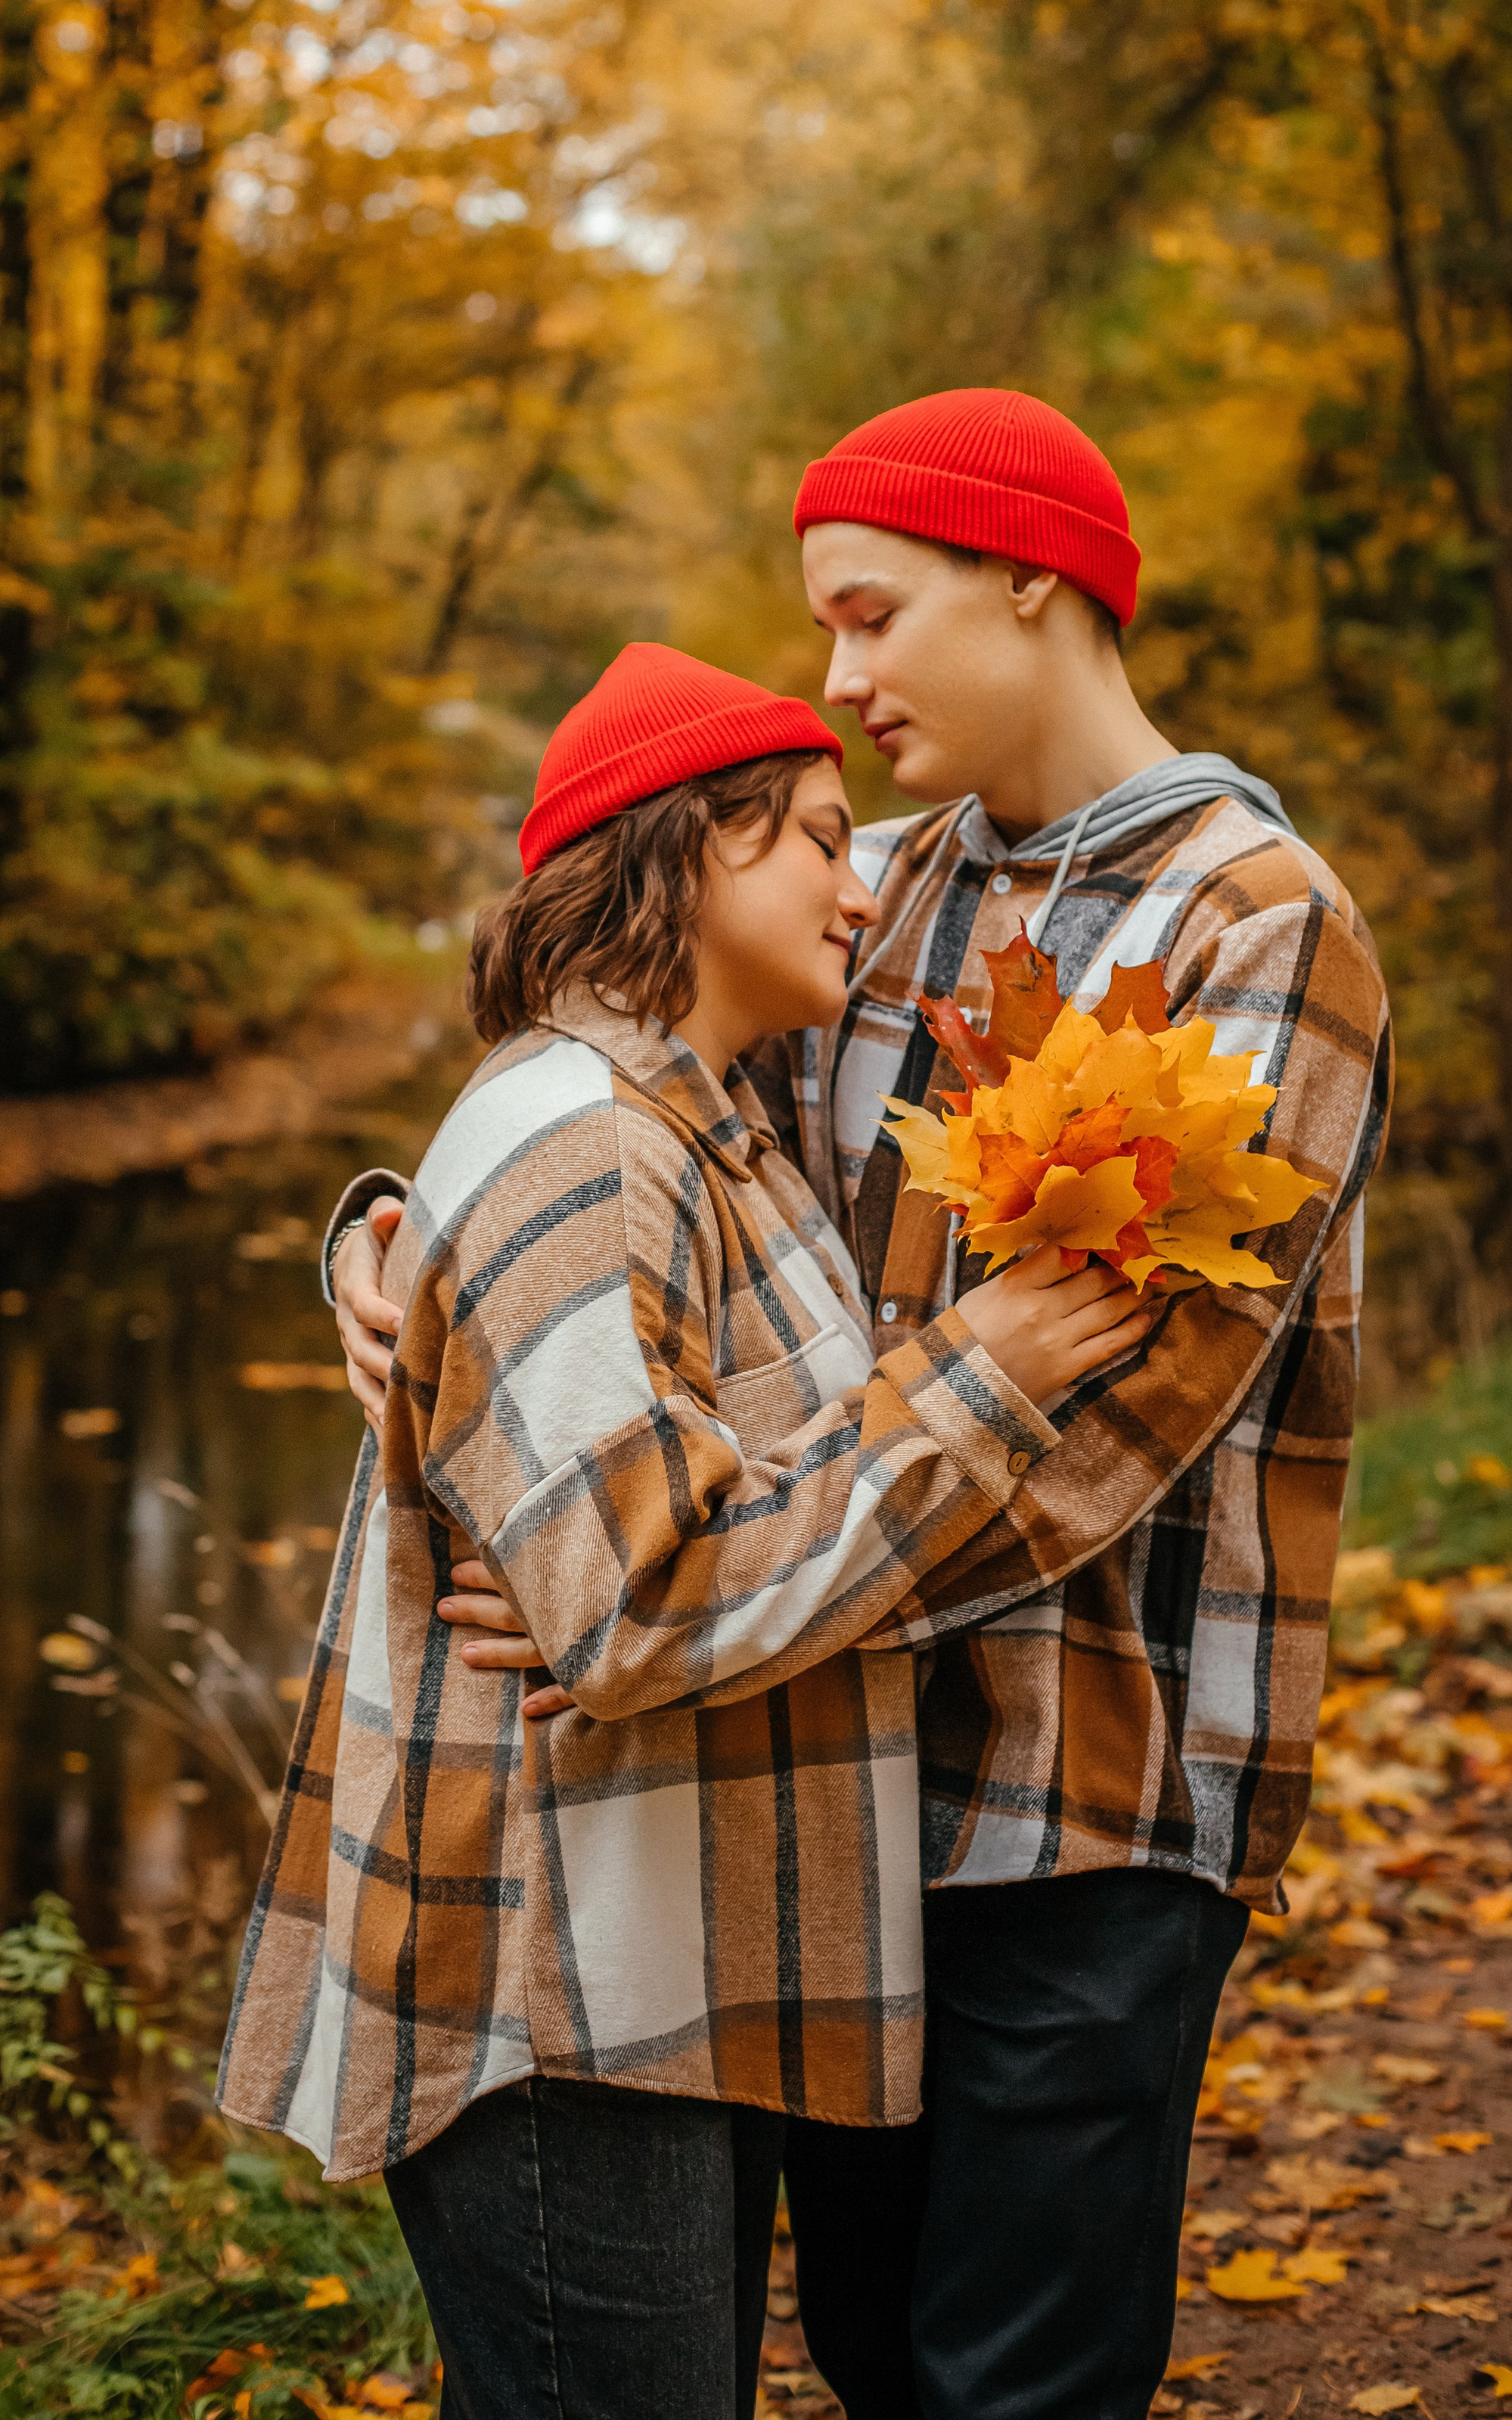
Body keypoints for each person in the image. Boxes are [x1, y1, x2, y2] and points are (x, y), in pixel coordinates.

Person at [335, 390, 1392, 2420]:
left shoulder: (1260, 927)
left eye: (875, 616)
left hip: (1086, 1793)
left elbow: (1094, 1445)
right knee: (875, 2352)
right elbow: (614, 1129)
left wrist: (662, 1621)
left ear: (1035, 582)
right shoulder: (872, 894)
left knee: (1014, 2379)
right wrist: (395, 1235)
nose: (836, 679)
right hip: (830, 1791)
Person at [218, 640, 1163, 2420]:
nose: (860, 877)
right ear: (692, 852)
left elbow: (687, 1518)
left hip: (644, 1962)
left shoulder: (702, 1127)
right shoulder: (589, 1146)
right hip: (553, 1994)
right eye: (816, 834)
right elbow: (638, 1605)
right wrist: (977, 1372)